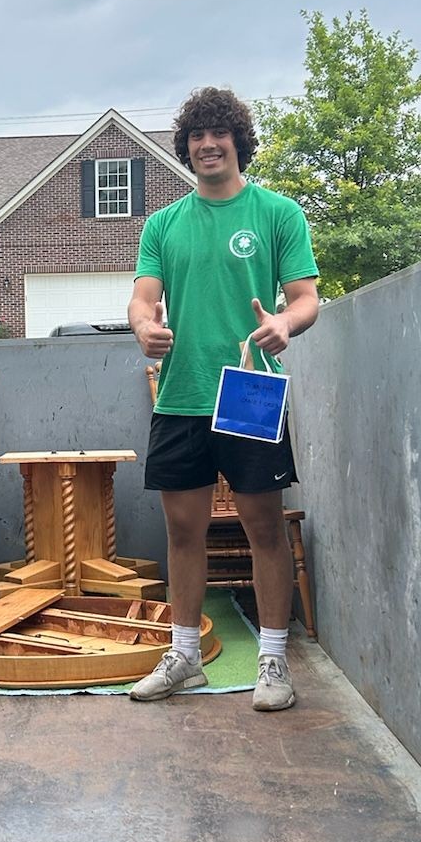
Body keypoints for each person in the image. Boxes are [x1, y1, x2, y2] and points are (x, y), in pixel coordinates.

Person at [128, 87, 320, 711]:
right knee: (183, 532)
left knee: (263, 528)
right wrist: (142, 325)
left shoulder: (277, 214)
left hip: (250, 391)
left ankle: (272, 661)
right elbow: (143, 295)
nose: (207, 145)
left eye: (219, 135)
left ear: (238, 142)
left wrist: (287, 324)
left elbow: (306, 297)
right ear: (185, 147)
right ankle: (184, 655)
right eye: (196, 136)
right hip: (181, 395)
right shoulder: (163, 224)